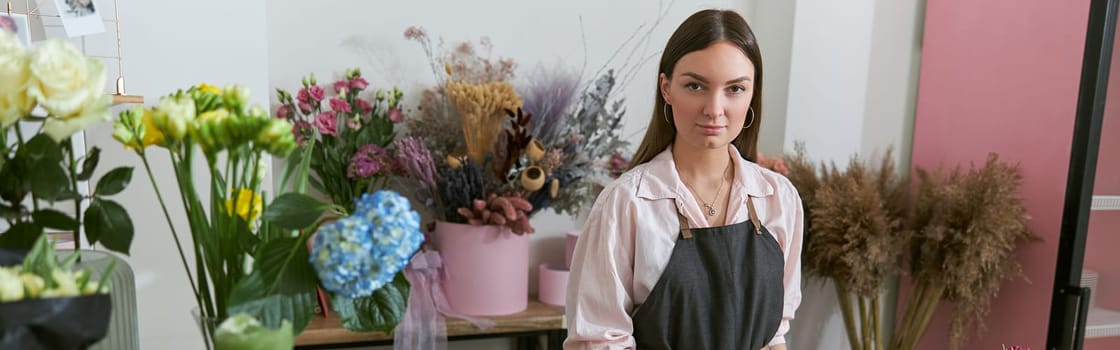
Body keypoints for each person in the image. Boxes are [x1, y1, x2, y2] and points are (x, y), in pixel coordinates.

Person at [565, 9, 804, 350]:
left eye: (735, 89)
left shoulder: (779, 198)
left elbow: (774, 336)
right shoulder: (627, 203)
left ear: (752, 94)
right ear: (666, 88)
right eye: (695, 86)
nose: (714, 108)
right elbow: (599, 341)